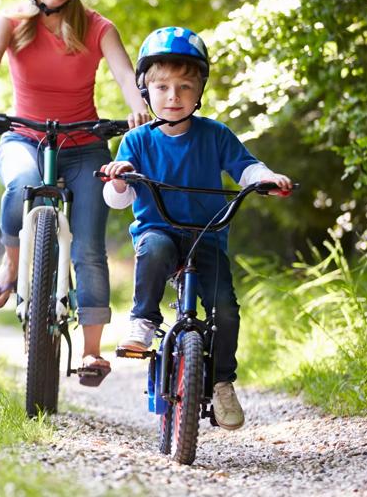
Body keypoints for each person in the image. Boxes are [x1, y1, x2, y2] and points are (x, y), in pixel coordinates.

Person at [0, 0, 150, 387]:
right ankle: (12, 259)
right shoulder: (14, 21)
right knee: (21, 183)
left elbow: (124, 73)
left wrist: (138, 103)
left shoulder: (99, 27)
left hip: (84, 149)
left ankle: (92, 352)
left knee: (88, 247)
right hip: (24, 138)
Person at [101, 26, 293, 429]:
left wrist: (266, 178)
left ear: (200, 90)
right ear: (145, 90)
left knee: (225, 308)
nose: (174, 97)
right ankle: (144, 319)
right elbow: (118, 199)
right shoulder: (137, 141)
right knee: (153, 250)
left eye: (185, 87)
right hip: (160, 230)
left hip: (207, 235)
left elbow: (245, 167)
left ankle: (223, 382)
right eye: (164, 87)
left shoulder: (215, 135)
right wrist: (121, 177)